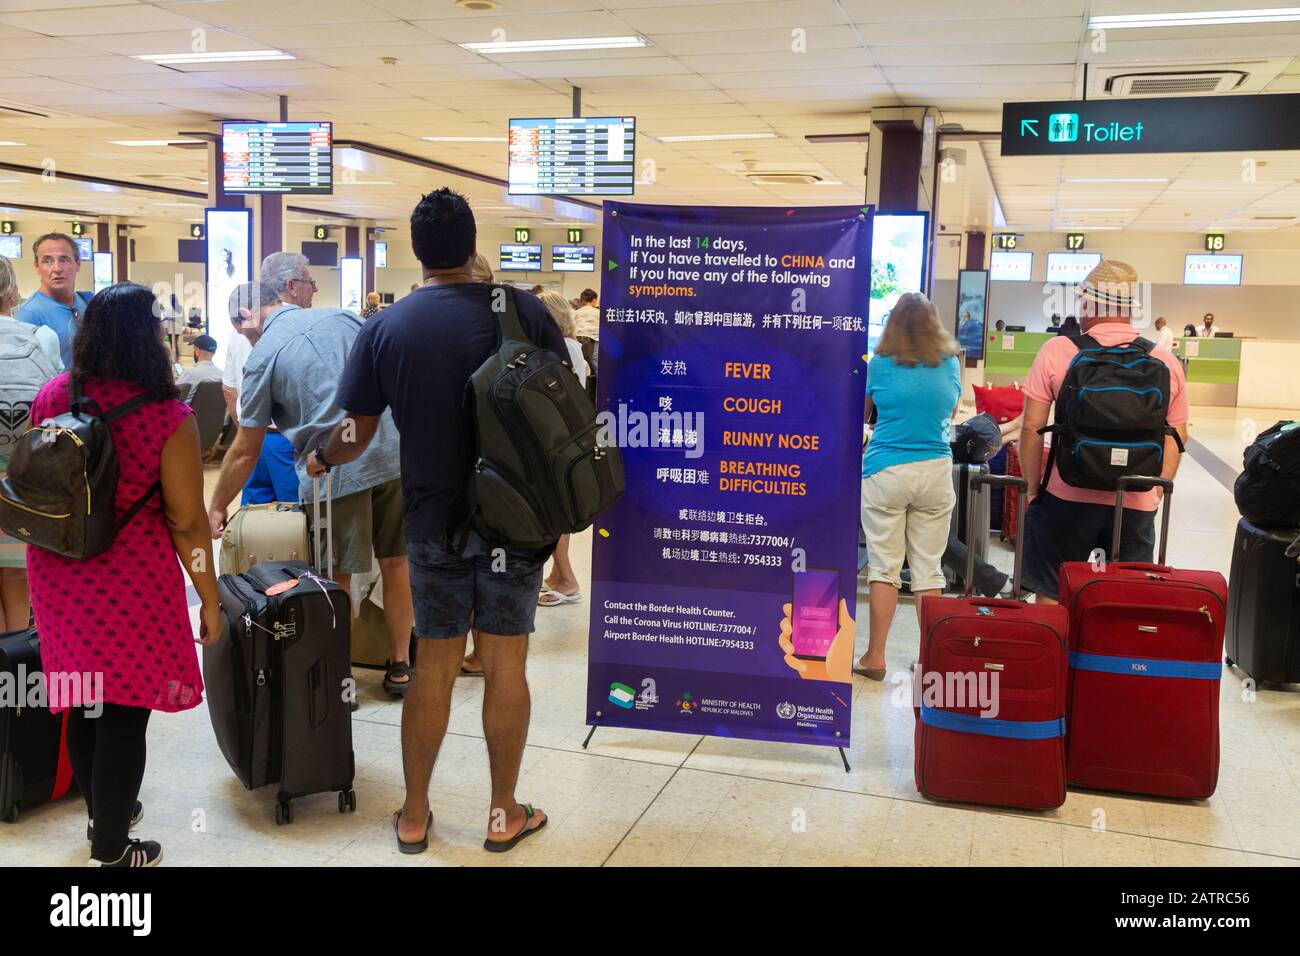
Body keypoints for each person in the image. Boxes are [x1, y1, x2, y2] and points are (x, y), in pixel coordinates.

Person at [306, 187, 569, 854]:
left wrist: (318, 455)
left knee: (435, 666)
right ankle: (503, 813)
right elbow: (565, 407)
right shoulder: (526, 311)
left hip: (434, 523)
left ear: (418, 253)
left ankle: (417, 815)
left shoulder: (388, 328)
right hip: (516, 521)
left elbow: (355, 436)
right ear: (474, 246)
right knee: (507, 663)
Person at [26, 283, 220, 866]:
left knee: (85, 700)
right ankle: (111, 848)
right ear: (149, 338)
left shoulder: (54, 394)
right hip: (130, 578)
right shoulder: (167, 416)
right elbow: (187, 522)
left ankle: (103, 810)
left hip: (58, 568)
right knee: (125, 712)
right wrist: (209, 598)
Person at [206, 281, 414, 697]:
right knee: (397, 564)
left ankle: (341, 677)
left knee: (336, 578)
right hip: (394, 455)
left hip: (337, 472)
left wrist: (216, 504)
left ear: (244, 318)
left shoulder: (263, 356)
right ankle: (400, 667)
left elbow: (246, 449)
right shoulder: (343, 317)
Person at [1017, 260, 1188, 603]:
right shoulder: (1164, 360)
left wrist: (1034, 489)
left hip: (1066, 495)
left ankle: (1058, 655)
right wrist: (1152, 494)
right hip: (1134, 500)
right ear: (1129, 310)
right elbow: (1178, 434)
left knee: (1054, 592)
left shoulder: (1057, 351)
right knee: (1124, 602)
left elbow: (1032, 426)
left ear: (1089, 304)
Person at [855, 293, 961, 680]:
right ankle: (927, 660)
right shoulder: (950, 363)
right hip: (934, 470)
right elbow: (949, 412)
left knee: (884, 566)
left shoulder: (880, 364)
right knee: (928, 570)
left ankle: (875, 657)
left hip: (886, 471)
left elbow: (864, 414)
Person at [0, 256, 59, 630]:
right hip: (25, 484)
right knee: (18, 580)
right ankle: (15, 673)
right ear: (12, 290)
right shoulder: (40, 338)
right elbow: (57, 408)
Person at [221, 283, 298, 507]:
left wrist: (245, 432)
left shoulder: (236, 334)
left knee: (253, 517)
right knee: (295, 519)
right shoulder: (294, 329)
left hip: (250, 438)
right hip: (284, 440)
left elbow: (228, 389)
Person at [535, 290, 588, 609]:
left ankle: (566, 579)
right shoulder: (574, 348)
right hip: (567, 441)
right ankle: (559, 576)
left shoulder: (557, 350)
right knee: (559, 515)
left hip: (554, 443)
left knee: (552, 516)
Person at [14, 232, 92, 368]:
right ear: (37, 266)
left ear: (78, 263)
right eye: (47, 261)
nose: (57, 269)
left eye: (64, 260)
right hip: (55, 388)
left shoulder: (88, 303)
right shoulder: (29, 315)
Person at [573, 288, 600, 382]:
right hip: (594, 342)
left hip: (577, 341)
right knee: (597, 367)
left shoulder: (576, 313)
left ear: (582, 301)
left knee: (578, 366)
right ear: (594, 300)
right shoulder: (599, 313)